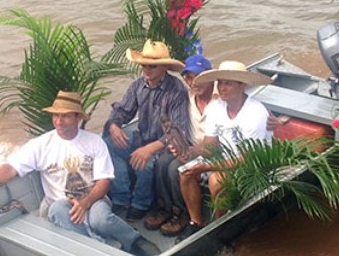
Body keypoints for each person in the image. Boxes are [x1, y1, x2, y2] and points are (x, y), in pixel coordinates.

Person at [0, 91, 160, 256]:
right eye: (55, 116)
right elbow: (10, 169)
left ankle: (135, 241)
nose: (58, 121)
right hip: (61, 204)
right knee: (57, 209)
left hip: (94, 199)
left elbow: (104, 181)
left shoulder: (94, 142)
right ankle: (101, 249)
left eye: (65, 116)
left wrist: (85, 203)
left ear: (77, 117)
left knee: (102, 219)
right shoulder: (41, 145)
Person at [175, 60, 273, 242]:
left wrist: (205, 167)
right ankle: (195, 223)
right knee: (185, 172)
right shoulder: (215, 108)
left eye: (228, 83)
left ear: (242, 85)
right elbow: (210, 145)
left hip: (253, 166)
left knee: (216, 180)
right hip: (224, 159)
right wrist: (189, 153)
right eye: (220, 83)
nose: (222, 88)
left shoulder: (256, 113)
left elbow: (248, 160)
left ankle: (220, 227)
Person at [103, 40, 190, 222]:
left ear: (164, 67)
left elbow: (177, 131)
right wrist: (114, 126)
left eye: (152, 66)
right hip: (141, 139)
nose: (146, 69)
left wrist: (150, 149)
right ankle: (121, 197)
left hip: (163, 148)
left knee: (145, 162)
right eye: (144, 65)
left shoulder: (177, 90)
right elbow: (122, 111)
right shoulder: (138, 86)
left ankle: (141, 204)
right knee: (108, 145)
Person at [145, 53, 217, 236]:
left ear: (209, 76)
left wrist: (271, 119)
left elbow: (241, 102)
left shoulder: (220, 98)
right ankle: (167, 208)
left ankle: (183, 212)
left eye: (199, 77)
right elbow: (171, 120)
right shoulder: (186, 96)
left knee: (175, 168)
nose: (194, 83)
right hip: (190, 146)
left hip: (212, 150)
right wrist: (174, 143)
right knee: (161, 163)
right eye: (189, 78)